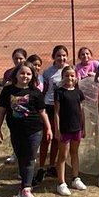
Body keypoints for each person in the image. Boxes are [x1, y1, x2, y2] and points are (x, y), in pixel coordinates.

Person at [0, 62, 50, 197]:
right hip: (16, 131)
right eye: (22, 73)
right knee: (21, 157)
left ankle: (26, 188)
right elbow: (1, 111)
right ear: (16, 75)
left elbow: (42, 112)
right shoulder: (8, 91)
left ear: (33, 76)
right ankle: (23, 187)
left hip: (34, 130)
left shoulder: (35, 92)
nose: (25, 76)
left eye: (28, 74)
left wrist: (48, 128)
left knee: (30, 158)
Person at [52, 65, 91, 197]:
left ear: (76, 77)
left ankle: (75, 178)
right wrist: (57, 130)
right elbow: (56, 113)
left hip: (77, 128)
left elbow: (81, 111)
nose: (70, 78)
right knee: (63, 155)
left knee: (75, 153)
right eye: (67, 75)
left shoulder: (78, 92)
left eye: (72, 75)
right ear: (63, 77)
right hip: (64, 129)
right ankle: (61, 183)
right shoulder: (59, 92)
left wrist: (83, 127)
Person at [39, 45, 69, 180]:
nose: (61, 58)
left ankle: (52, 165)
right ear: (53, 57)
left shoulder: (69, 70)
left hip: (63, 107)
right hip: (49, 106)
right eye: (58, 55)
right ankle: (41, 167)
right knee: (46, 137)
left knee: (58, 137)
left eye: (63, 55)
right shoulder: (48, 72)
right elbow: (45, 90)